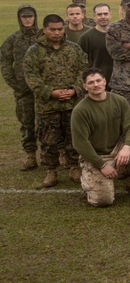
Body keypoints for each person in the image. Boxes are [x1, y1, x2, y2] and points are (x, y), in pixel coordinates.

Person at [70, 68, 130, 207]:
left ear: (105, 81)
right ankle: (88, 180)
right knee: (103, 201)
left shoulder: (119, 101)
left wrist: (126, 147)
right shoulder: (80, 110)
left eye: (98, 80)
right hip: (96, 155)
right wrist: (101, 164)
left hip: (118, 148)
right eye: (91, 82)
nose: (96, 84)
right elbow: (80, 143)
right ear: (85, 86)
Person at [22, 13, 90, 188]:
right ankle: (51, 171)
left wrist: (75, 89)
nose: (57, 33)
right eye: (53, 30)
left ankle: (74, 167)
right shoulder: (34, 52)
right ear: (44, 29)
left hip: (72, 104)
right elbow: (31, 77)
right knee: (48, 140)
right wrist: (51, 92)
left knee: (73, 137)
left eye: (60, 29)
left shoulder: (73, 49)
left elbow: (84, 69)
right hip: (48, 106)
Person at [1, 4, 39, 170]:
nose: (28, 19)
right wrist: (15, 84)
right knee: (26, 122)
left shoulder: (43, 36)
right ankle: (30, 155)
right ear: (19, 18)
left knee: (50, 123)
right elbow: (5, 62)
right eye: (24, 17)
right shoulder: (13, 39)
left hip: (44, 89)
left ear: (35, 17)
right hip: (23, 90)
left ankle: (56, 154)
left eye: (30, 16)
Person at [78, 3, 114, 81]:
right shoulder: (86, 37)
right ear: (94, 16)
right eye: (99, 14)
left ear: (110, 14)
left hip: (118, 81)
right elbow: (80, 63)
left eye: (105, 14)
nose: (103, 17)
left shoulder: (118, 34)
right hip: (96, 81)